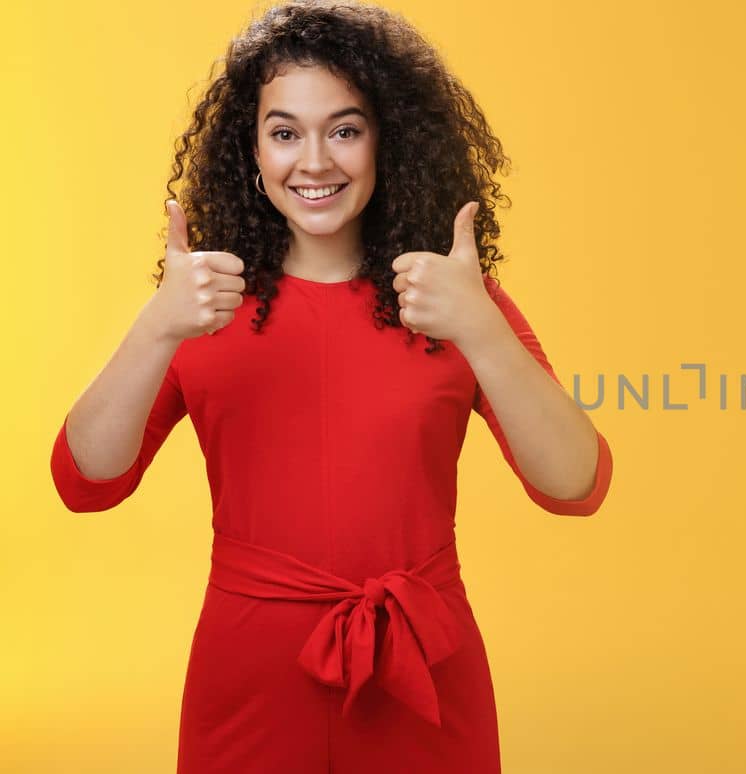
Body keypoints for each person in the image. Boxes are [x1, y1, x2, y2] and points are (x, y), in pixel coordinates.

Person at [47, 1, 614, 771]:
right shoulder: (201, 303)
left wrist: (480, 327)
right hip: (249, 678)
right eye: (285, 132)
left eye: (344, 129)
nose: (314, 161)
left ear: (388, 142)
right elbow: (86, 482)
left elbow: (576, 484)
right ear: (250, 152)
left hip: (423, 670)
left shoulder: (455, 298)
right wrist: (155, 327)